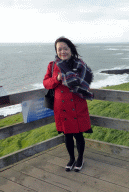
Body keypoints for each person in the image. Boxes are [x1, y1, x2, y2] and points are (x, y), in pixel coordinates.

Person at [43, 37, 94, 172]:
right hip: (61, 106)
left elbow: (85, 82)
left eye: (65, 48)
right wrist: (57, 78)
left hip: (77, 105)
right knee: (67, 135)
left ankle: (80, 158)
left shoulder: (80, 64)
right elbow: (46, 83)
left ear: (71, 49)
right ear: (56, 51)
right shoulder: (52, 65)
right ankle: (71, 158)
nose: (63, 51)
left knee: (78, 134)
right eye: (59, 49)